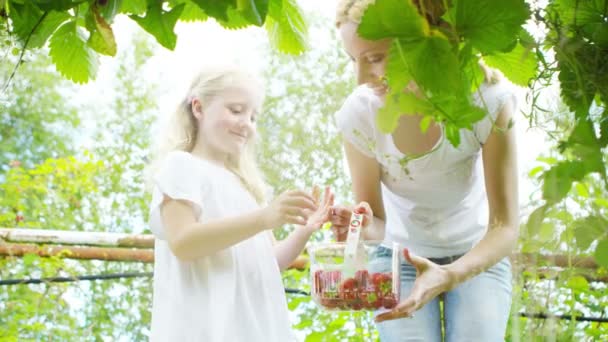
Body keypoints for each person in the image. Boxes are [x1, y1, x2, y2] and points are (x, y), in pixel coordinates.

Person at [329, 0, 520, 341]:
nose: (361, 78)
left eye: (374, 58)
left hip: (476, 251)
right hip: (397, 255)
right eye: (352, 60)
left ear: (424, 40)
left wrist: (451, 275)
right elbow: (376, 224)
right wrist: (356, 224)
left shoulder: (487, 98)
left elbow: (504, 227)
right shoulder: (359, 114)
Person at [147, 65, 334, 341]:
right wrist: (264, 218)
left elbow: (270, 262)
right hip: (205, 330)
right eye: (235, 110)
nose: (246, 123)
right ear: (198, 108)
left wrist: (305, 228)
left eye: (253, 116)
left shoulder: (245, 188)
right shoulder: (182, 166)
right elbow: (183, 243)